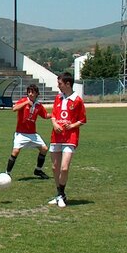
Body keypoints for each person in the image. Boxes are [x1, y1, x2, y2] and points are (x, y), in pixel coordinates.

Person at [47, 72, 87, 208]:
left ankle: (61, 194)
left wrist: (72, 125)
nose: (58, 86)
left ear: (68, 84)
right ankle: (59, 195)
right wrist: (55, 124)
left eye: (60, 83)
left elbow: (83, 120)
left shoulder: (77, 100)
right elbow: (53, 115)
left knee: (64, 168)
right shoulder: (58, 98)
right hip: (56, 137)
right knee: (55, 167)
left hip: (70, 137)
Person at [5, 84, 50, 179]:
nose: (30, 94)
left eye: (32, 92)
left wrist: (55, 115)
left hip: (32, 134)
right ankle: (7, 173)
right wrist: (25, 103)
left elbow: (45, 115)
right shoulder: (23, 101)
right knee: (15, 151)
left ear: (37, 93)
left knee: (44, 149)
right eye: (29, 92)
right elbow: (14, 108)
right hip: (21, 133)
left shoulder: (38, 105)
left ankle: (38, 170)